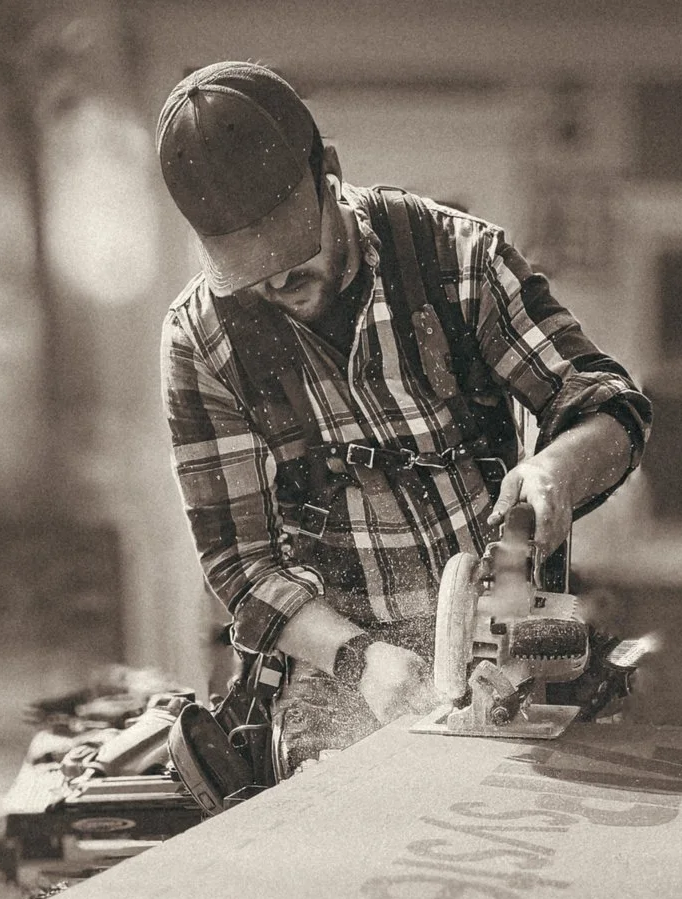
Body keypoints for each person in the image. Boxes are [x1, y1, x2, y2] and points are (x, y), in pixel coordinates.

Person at [156, 62, 650, 769]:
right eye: (248, 266)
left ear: (328, 171)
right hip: (335, 684)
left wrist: (555, 472)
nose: (276, 281)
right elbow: (240, 565)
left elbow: (606, 404)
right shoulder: (204, 341)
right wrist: (358, 659)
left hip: (510, 657)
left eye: (292, 251)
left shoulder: (458, 262)